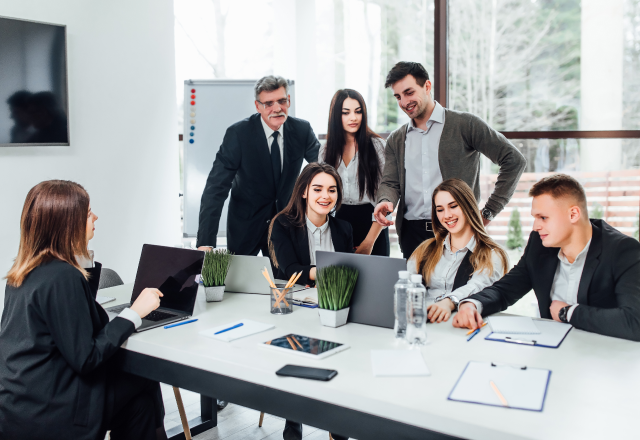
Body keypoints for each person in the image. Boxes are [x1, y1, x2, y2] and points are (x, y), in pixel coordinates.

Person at [0, 180, 167, 440]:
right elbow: (86, 358)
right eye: (88, 213)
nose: (96, 217)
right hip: (54, 410)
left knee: (139, 402)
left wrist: (80, 255)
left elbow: (75, 321)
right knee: (144, 381)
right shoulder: (61, 276)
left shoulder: (22, 273)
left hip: (21, 406)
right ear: (67, 223)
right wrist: (134, 314)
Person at [453, 174, 640, 342]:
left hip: (603, 359)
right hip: (550, 351)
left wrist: (568, 312)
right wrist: (472, 304)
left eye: (543, 218)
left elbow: (634, 322)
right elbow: (506, 289)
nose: (535, 227)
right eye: (535, 218)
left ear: (573, 214)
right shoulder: (540, 245)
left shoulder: (623, 251)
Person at [373, 61, 527, 259]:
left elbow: (514, 160)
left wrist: (487, 213)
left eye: (409, 92)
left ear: (427, 86)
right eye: (398, 97)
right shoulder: (396, 139)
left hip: (458, 230)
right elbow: (390, 182)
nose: (404, 102)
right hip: (413, 236)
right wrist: (385, 200)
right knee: (415, 290)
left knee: (461, 290)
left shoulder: (465, 124)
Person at [268, 162, 352, 440]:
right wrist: (328, 270)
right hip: (296, 311)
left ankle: (338, 431)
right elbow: (289, 270)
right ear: (304, 191)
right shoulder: (282, 224)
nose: (325, 196)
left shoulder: (343, 228)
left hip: (333, 310)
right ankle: (293, 430)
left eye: (332, 190)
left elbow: (349, 273)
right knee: (298, 359)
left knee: (345, 358)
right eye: (317, 189)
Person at [197, 75, 320, 262]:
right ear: (257, 106)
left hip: (285, 225)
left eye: (281, 101)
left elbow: (323, 170)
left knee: (286, 284)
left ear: (289, 100)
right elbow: (216, 187)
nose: (277, 108)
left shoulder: (302, 130)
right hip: (246, 225)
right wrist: (206, 241)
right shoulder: (238, 134)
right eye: (268, 103)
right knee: (241, 286)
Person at [408, 178, 509, 323]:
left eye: (453, 206)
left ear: (468, 206)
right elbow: (406, 285)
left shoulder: (491, 254)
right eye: (440, 209)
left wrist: (448, 302)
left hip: (459, 324)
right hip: (423, 323)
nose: (447, 215)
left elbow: (478, 286)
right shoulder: (425, 249)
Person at [319, 89, 389, 256]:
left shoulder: (378, 146)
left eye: (358, 112)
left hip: (373, 224)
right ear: (336, 116)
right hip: (339, 223)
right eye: (346, 112)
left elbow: (386, 197)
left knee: (375, 280)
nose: (354, 118)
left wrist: (368, 242)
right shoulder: (326, 150)